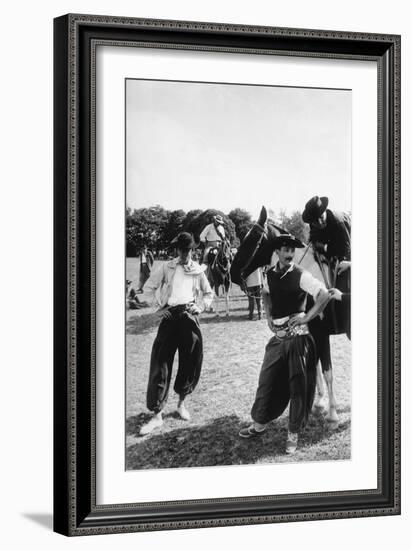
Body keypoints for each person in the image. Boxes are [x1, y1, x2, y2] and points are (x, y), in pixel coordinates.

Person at [238, 234, 332, 454]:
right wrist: (269, 316)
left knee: (298, 387)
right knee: (266, 381)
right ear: (277, 252)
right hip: (277, 338)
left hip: (299, 339)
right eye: (285, 249)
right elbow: (266, 293)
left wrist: (307, 317)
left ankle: (293, 433)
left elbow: (324, 294)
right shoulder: (269, 274)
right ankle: (259, 423)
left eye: (292, 250)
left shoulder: (301, 275)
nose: (290, 253)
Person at [139, 232, 214, 435]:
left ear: (193, 250)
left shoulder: (198, 270)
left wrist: (200, 307)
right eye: (181, 249)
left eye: (188, 249)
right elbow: (148, 288)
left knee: (189, 362)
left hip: (189, 318)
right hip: (169, 317)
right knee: (160, 363)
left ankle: (181, 404)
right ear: (176, 249)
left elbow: (208, 293)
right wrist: (159, 308)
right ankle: (157, 415)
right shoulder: (166, 266)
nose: (184, 253)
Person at [302, 195, 351, 336]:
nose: (319, 222)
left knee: (343, 277)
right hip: (331, 252)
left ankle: (345, 323)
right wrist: (322, 248)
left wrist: (324, 248)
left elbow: (345, 250)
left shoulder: (338, 221)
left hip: (349, 252)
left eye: (320, 218)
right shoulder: (314, 221)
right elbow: (313, 239)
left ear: (325, 210)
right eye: (315, 221)